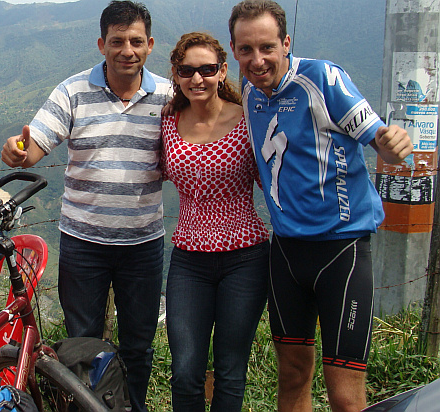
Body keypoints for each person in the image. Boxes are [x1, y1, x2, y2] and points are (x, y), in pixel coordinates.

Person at [227, 1, 413, 411]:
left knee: (345, 395)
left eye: (267, 47)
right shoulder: (246, 91)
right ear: (234, 50)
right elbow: (198, 93)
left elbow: (377, 136)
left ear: (286, 43)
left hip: (341, 251)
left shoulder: (322, 78)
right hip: (287, 253)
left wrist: (392, 142)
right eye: (246, 50)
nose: (257, 60)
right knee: (292, 378)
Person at [0, 1, 172, 410]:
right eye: (117, 41)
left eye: (135, 41)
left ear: (150, 45)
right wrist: (17, 152)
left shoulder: (168, 95)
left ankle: (132, 406)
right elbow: (34, 146)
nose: (126, 50)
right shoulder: (73, 91)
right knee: (81, 344)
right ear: (101, 44)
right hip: (83, 243)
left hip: (143, 244)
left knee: (139, 344)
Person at [162, 32, 270, 412]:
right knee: (185, 369)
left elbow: (274, 178)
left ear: (223, 71)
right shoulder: (169, 123)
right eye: (186, 70)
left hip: (246, 258)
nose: (197, 79)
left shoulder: (249, 121)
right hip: (189, 259)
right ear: (175, 74)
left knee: (230, 368)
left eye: (207, 70)